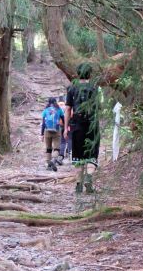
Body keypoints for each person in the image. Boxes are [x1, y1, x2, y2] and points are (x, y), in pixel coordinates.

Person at [64, 64, 100, 193]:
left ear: (78, 74)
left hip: (77, 125)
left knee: (78, 155)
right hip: (92, 125)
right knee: (92, 154)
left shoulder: (72, 88)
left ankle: (79, 184)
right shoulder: (95, 88)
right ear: (90, 74)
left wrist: (65, 128)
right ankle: (89, 180)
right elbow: (98, 108)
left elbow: (68, 109)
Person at [41, 97, 64, 171]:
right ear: (55, 102)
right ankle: (53, 160)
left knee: (48, 148)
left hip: (47, 131)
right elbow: (63, 119)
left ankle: (48, 165)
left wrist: (42, 134)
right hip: (57, 130)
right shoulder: (59, 109)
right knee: (57, 148)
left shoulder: (45, 110)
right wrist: (64, 127)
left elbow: (43, 123)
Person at [55, 94, 72, 165]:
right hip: (69, 125)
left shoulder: (56, 107)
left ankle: (61, 155)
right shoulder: (67, 107)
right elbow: (70, 116)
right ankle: (69, 153)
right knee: (70, 139)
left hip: (60, 126)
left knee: (62, 141)